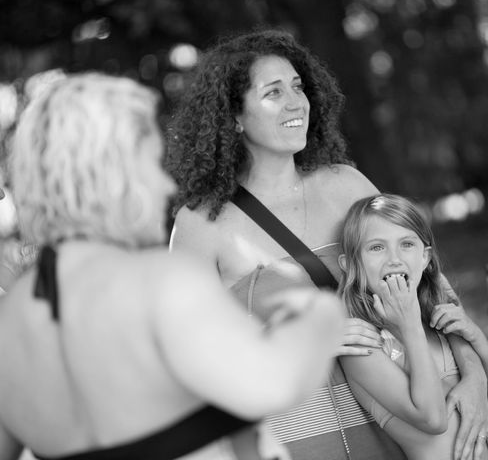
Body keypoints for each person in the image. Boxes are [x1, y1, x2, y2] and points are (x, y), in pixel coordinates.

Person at [168, 28, 488, 460]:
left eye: (298, 86)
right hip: (301, 442)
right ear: (233, 116)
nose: (295, 102)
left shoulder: (347, 186)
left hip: (413, 435)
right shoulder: (201, 224)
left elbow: (433, 294)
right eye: (273, 92)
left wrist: (473, 378)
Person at [0, 72, 345, 460]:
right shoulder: (158, 284)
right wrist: (316, 312)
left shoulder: (12, 318)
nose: (165, 187)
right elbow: (275, 383)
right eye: (149, 165)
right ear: (113, 176)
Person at [338, 194, 488, 460]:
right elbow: (433, 420)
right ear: (351, 265)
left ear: (425, 258)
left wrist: (475, 336)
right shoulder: (363, 346)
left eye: (407, 244)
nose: (394, 259)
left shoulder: (439, 321)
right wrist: (409, 326)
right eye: (376, 247)